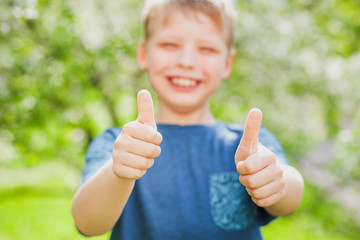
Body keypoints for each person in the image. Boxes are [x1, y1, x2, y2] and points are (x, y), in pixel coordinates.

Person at [71, 0, 304, 239]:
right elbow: (88, 224)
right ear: (143, 54)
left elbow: (290, 197)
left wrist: (276, 180)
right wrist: (119, 172)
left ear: (226, 64)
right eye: (170, 44)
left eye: (206, 49)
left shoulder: (249, 145)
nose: (186, 61)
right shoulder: (117, 145)